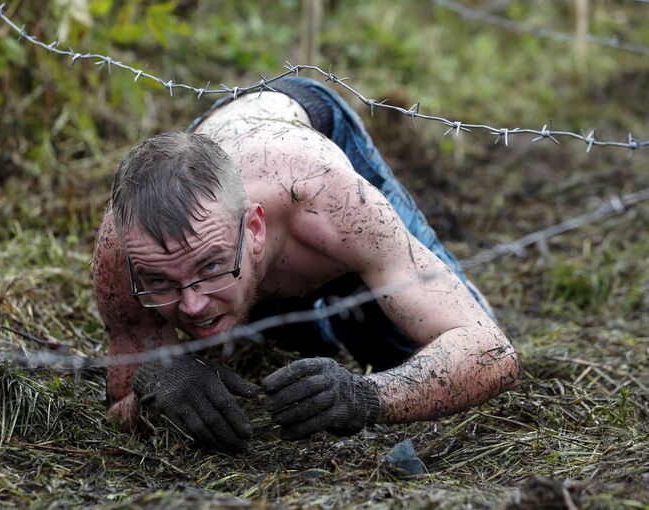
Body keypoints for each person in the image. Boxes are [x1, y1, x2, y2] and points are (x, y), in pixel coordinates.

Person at [94, 77, 521, 454]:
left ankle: (338, 303)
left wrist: (366, 395)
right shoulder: (127, 247)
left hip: (303, 137)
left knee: (410, 354)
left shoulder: (335, 203)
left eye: (210, 269)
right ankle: (302, 320)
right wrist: (153, 390)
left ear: (255, 230)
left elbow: (489, 351)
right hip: (219, 156)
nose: (190, 307)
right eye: (162, 283)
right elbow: (119, 404)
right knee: (286, 348)